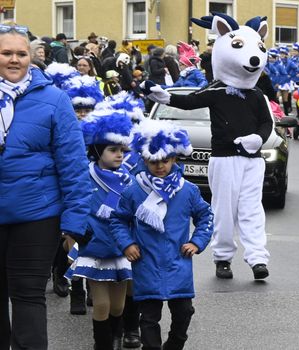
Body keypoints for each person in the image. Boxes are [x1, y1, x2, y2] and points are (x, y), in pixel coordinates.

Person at [143, 13, 274, 281]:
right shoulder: (216, 91)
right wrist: (165, 97)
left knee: (252, 209)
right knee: (224, 209)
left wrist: (258, 139)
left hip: (253, 160)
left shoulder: (258, 95)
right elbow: (190, 101)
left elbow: (266, 123)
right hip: (225, 158)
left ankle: (258, 257)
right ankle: (223, 257)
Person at [0, 23, 91, 348]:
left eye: (21, 53)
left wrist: (75, 221)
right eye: (6, 53)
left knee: (27, 297)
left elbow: (74, 165)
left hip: (36, 217)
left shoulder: (54, 100)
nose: (14, 59)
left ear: (31, 57)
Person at [110, 119, 213, 350]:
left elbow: (206, 216)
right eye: (153, 161)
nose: (159, 167)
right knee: (148, 318)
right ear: (144, 159)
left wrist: (197, 242)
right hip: (146, 262)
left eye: (165, 161)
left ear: (174, 159)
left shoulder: (187, 190)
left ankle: (175, 344)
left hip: (178, 263)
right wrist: (127, 244)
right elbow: (117, 219)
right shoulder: (134, 190)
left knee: (184, 312)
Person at [69, 108, 136, 349]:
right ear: (97, 150)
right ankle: (102, 345)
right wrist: (76, 232)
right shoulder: (84, 176)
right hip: (94, 247)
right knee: (102, 305)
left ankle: (116, 339)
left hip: (121, 247)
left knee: (118, 306)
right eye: (113, 150)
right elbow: (74, 205)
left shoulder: (130, 178)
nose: (119, 155)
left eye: (122, 150)